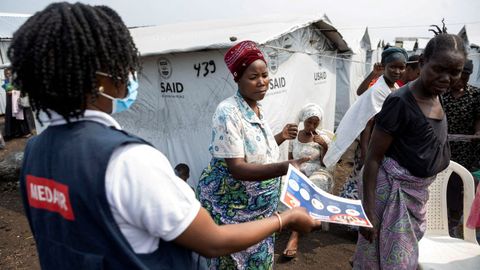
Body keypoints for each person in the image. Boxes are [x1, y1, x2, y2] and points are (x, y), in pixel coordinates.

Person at [12, 4, 321, 269]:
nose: (129, 73)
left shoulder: (36, 151)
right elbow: (212, 240)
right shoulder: (125, 160)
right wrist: (287, 220)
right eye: (121, 62)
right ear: (99, 79)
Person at [354, 32, 466, 269]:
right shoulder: (401, 101)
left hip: (415, 195)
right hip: (390, 196)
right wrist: (369, 212)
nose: (446, 78)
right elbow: (373, 159)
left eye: (454, 72)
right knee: (388, 262)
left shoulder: (437, 95)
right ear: (423, 63)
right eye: (439, 69)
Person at [196, 40, 310, 270]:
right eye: (253, 77)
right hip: (233, 210)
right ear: (237, 79)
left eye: (265, 75)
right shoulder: (228, 112)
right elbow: (237, 167)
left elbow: (257, 154)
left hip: (257, 212)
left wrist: (279, 137)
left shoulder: (256, 109)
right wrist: (285, 167)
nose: (262, 82)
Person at [324, 47, 408, 201]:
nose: (397, 71)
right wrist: (365, 153)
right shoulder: (378, 90)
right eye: (393, 67)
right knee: (360, 180)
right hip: (368, 144)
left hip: (375, 143)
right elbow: (368, 122)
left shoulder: (393, 88)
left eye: (401, 67)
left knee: (362, 180)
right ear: (384, 67)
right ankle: (351, 213)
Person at [282, 103, 333, 258]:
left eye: (315, 123)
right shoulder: (294, 138)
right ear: (303, 120)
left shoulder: (322, 138)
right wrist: (296, 173)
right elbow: (290, 160)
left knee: (312, 187)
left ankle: (295, 235)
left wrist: (324, 146)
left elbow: (326, 163)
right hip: (299, 170)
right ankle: (285, 220)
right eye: (309, 122)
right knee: (283, 184)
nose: (311, 126)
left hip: (318, 171)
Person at [442, 59, 480, 237]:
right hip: (443, 147)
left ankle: (453, 222)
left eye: (465, 78)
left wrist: (477, 133)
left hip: (465, 151)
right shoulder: (442, 93)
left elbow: (478, 121)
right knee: (441, 183)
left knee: (458, 186)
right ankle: (439, 217)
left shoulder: (475, 95)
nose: (461, 81)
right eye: (459, 77)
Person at [356, 54, 421, 96]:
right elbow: (360, 92)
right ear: (409, 69)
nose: (397, 72)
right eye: (418, 74)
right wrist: (373, 73)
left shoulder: (408, 88)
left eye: (401, 68)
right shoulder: (384, 82)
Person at [2, 67, 33, 139]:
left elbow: (18, 89)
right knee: (14, 117)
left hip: (17, 100)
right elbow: (8, 91)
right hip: (10, 100)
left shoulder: (15, 79)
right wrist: (11, 90)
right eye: (7, 73)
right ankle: (18, 133)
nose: (8, 74)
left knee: (21, 116)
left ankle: (26, 132)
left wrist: (13, 90)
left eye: (9, 73)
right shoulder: (6, 80)